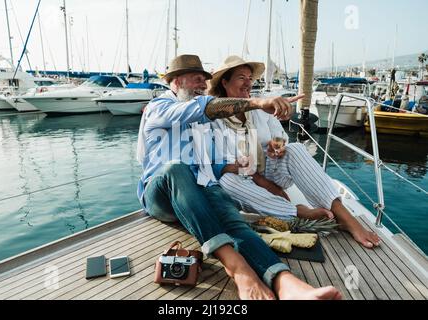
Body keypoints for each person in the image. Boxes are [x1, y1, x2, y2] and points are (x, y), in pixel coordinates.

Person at [137, 54, 342, 300]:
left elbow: (214, 161)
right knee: (176, 169)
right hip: (161, 195)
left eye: (205, 79)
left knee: (235, 223)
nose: (203, 84)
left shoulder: (203, 122)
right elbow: (203, 108)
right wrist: (257, 102)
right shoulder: (160, 107)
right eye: (196, 79)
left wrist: (239, 169)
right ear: (176, 81)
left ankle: (286, 283)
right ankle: (240, 272)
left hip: (200, 189)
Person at [208, 55, 380, 249]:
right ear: (224, 82)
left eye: (250, 77)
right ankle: (298, 211)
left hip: (269, 170)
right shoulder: (213, 118)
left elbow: (281, 136)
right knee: (227, 181)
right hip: (243, 183)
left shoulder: (260, 108)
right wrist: (267, 185)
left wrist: (277, 146)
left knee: (295, 149)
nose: (248, 82)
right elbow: (216, 164)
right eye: (241, 77)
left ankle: (344, 215)